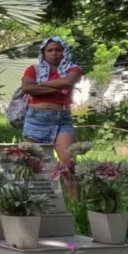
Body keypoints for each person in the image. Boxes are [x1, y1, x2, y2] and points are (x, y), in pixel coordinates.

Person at [19, 36, 82, 165]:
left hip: (62, 119)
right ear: (43, 53)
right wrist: (55, 89)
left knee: (69, 162)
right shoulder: (33, 69)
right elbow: (27, 88)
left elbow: (67, 82)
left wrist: (40, 84)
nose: (54, 53)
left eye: (58, 50)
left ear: (64, 51)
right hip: (37, 119)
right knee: (36, 164)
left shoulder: (73, 69)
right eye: (50, 50)